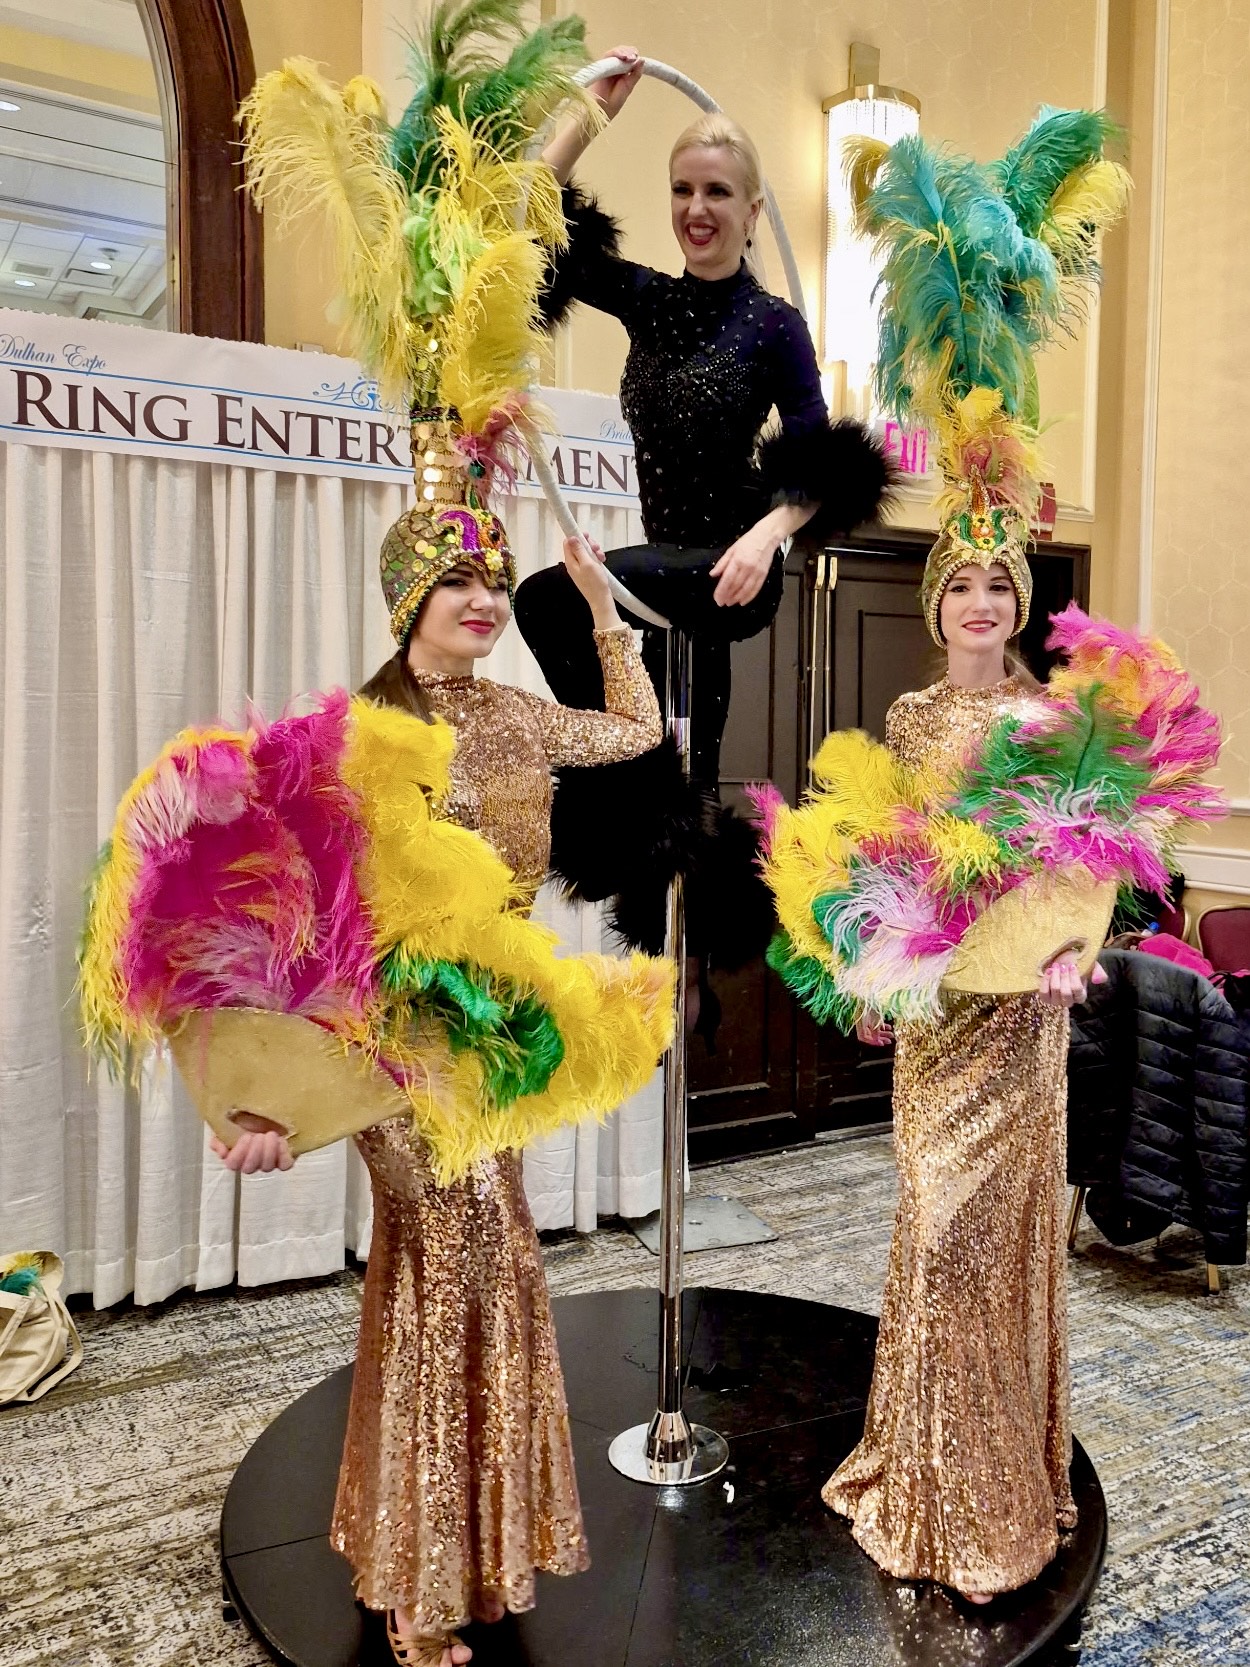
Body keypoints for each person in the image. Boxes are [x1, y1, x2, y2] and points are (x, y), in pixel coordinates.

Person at [212, 518, 662, 1667]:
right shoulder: (360, 732)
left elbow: (636, 730)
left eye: (494, 580)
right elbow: (297, 919)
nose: (483, 599)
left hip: (494, 1038)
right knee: (448, 1269)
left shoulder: (515, 711)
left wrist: (599, 611)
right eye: (456, 577)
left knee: (482, 1269)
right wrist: (265, 1098)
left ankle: (452, 1543)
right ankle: (422, 1574)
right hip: (398, 1045)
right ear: (407, 592)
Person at [822, 549, 1104, 1604]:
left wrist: (1076, 950)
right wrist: (870, 968)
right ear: (933, 603)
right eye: (959, 585)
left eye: (997, 586)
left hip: (1019, 1016)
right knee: (930, 1231)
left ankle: (987, 1510)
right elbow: (892, 856)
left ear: (1019, 604)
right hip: (935, 1019)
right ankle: (922, 1472)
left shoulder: (1050, 720)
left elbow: (1087, 857)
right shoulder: (909, 717)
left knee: (975, 1246)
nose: (979, 604)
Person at [518, 48, 890, 794]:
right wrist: (595, 114)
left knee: (546, 598)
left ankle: (612, 755)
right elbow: (528, 209)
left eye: (717, 191)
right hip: (666, 572)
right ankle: (637, 777)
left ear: (752, 212)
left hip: (732, 568)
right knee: (683, 777)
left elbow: (822, 461)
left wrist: (766, 536)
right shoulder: (649, 302)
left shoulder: (774, 324)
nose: (697, 208)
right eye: (682, 189)